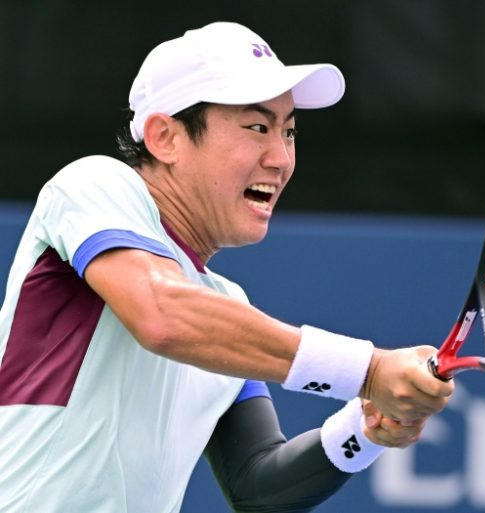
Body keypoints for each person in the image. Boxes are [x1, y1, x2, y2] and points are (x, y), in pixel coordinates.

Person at [0, 21, 454, 513]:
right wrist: (367, 370)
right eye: (257, 127)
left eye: (290, 131)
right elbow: (162, 314)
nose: (281, 158)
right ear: (165, 137)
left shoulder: (223, 311)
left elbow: (258, 485)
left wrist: (364, 429)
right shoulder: (92, 184)